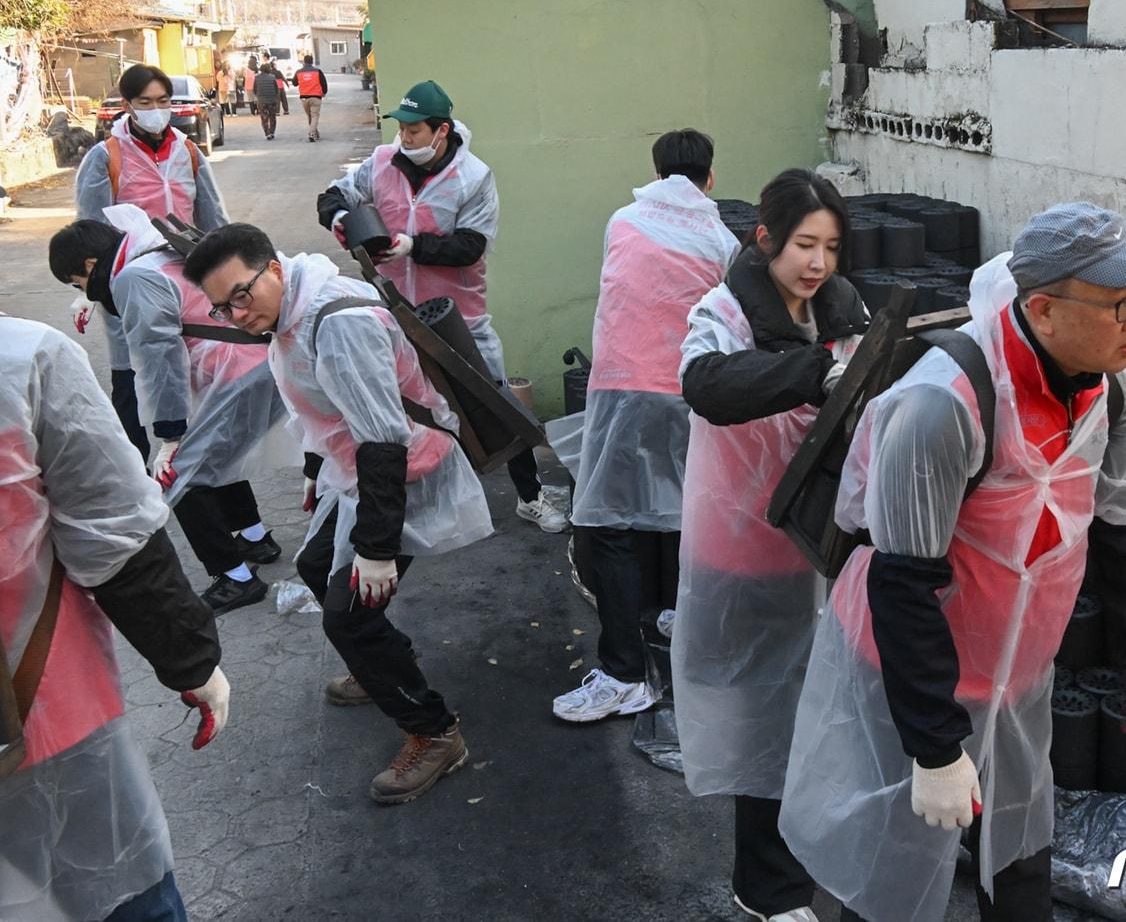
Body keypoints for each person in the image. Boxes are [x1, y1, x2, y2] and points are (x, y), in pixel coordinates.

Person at [778, 203, 1126, 922]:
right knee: (891, 876)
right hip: (902, 675)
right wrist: (932, 749)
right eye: (1121, 302)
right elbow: (901, 586)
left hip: (1015, 675)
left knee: (1019, 856)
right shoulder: (946, 402)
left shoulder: (1116, 385)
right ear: (1044, 310)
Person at [182, 222, 495, 804]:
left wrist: (377, 550)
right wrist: (314, 466)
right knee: (316, 567)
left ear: (274, 267)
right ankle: (380, 664)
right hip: (356, 470)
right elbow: (323, 401)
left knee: (348, 615)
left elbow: (384, 440)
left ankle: (434, 732)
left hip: (401, 472)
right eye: (222, 308)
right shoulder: (289, 310)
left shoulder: (340, 322)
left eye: (242, 296)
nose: (237, 315)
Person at [673, 168, 864, 922]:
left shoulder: (843, 312)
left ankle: (822, 849)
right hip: (747, 549)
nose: (817, 263)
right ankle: (767, 889)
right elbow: (709, 385)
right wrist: (816, 370)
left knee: (825, 713)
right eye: (803, 245)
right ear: (765, 240)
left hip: (827, 545)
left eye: (831, 247)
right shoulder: (721, 312)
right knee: (764, 723)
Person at [0, 314, 229, 921]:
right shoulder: (22, 359)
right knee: (120, 892)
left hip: (36, 708)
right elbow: (112, 530)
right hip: (43, 711)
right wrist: (192, 659)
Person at [315, 79, 568, 533]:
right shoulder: (380, 163)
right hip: (391, 310)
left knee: (494, 402)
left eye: (414, 129)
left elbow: (471, 246)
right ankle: (402, 509)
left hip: (456, 315)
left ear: (442, 131)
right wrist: (340, 219)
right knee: (391, 406)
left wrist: (411, 246)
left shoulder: (474, 177)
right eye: (402, 128)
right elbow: (333, 195)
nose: (405, 137)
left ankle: (529, 496)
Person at [552, 129, 738, 722]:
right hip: (690, 388)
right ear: (710, 178)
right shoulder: (721, 237)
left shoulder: (623, 220)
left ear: (656, 174)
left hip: (624, 389)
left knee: (611, 523)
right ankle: (674, 617)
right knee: (684, 508)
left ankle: (626, 672)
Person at [49, 206, 291, 614]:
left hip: (235, 372)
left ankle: (236, 577)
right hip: (248, 362)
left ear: (91, 264)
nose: (85, 291)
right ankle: (253, 537)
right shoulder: (154, 250)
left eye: (79, 282)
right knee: (212, 458)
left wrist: (170, 434)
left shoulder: (133, 277)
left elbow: (157, 359)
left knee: (177, 475)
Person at [74, 63, 229, 460]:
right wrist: (88, 291)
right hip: (130, 284)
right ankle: (136, 471)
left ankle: (191, 464)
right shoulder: (105, 157)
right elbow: (91, 227)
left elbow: (213, 218)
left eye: (163, 101)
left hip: (187, 280)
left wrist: (229, 268)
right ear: (127, 105)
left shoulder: (188, 151)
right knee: (133, 375)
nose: (156, 109)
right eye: (145, 102)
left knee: (189, 373)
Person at [294, 54, 327, 142]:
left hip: (304, 98)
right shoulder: (318, 71)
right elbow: (324, 83)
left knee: (310, 116)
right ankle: (312, 133)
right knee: (314, 116)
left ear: (304, 62)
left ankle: (314, 133)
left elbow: (294, 83)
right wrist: (324, 92)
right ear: (312, 62)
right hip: (316, 97)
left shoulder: (298, 72)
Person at [253, 63, 282, 140]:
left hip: (262, 101)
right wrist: (275, 97)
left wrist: (258, 96)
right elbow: (277, 90)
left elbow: (255, 90)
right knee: (272, 117)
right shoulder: (272, 77)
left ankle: (267, 133)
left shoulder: (257, 78)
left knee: (264, 117)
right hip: (272, 100)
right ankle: (272, 132)